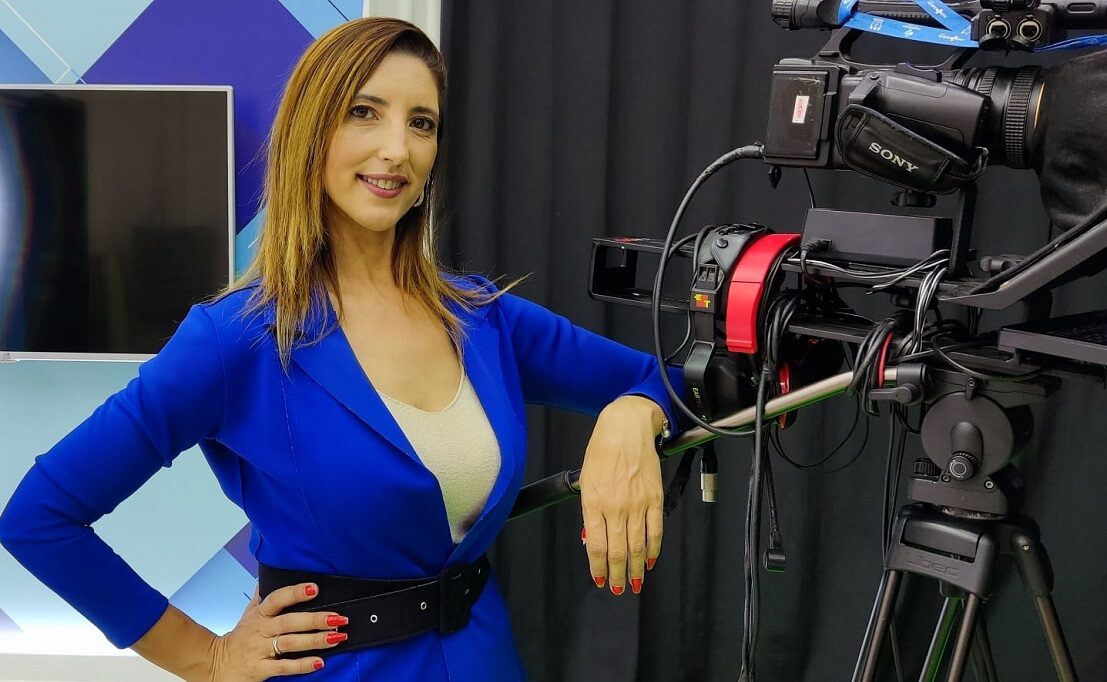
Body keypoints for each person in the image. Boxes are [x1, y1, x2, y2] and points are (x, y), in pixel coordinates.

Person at [0, 17, 682, 682]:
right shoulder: (236, 339)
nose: (397, 149)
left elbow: (681, 384)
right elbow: (40, 518)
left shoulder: (483, 318)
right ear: (312, 130)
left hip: (485, 658)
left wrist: (632, 412)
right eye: (364, 112)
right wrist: (204, 659)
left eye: (422, 123)